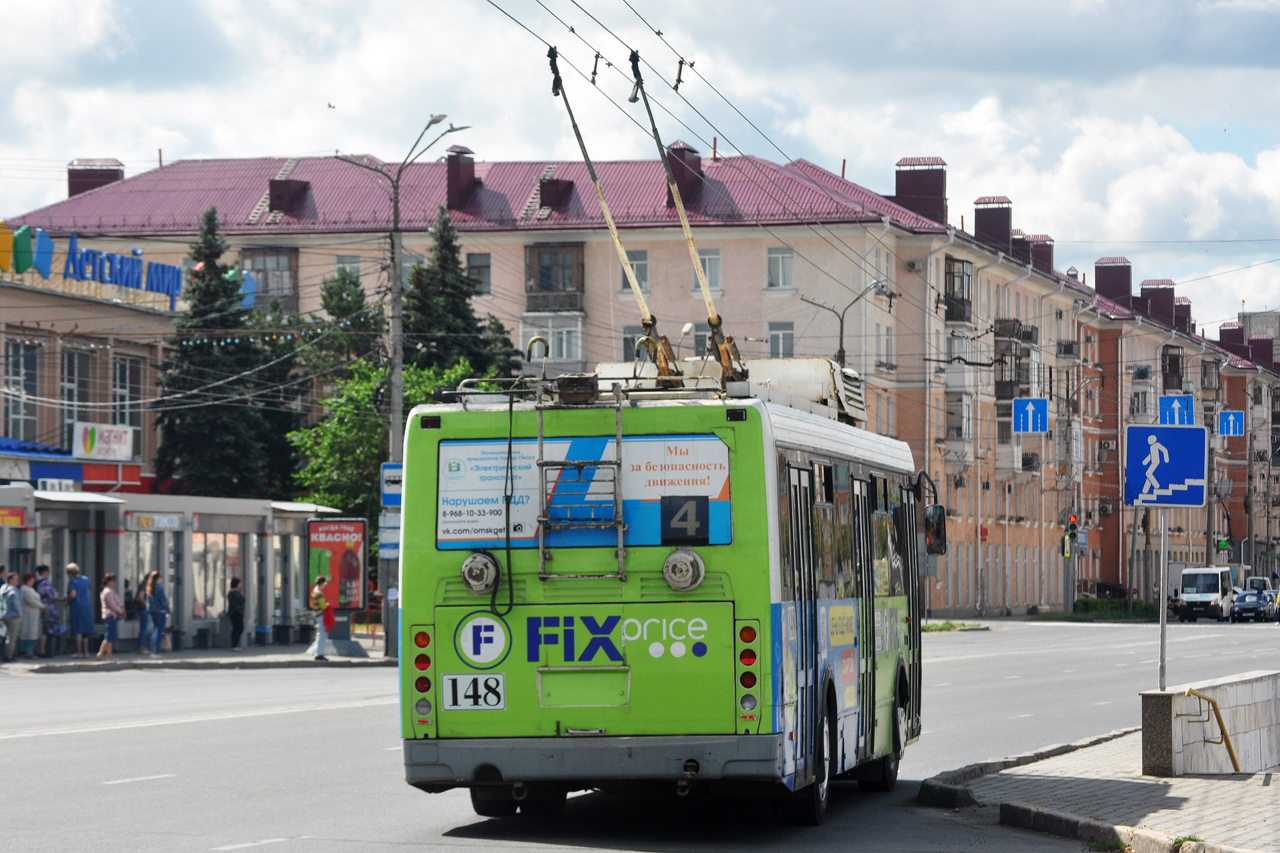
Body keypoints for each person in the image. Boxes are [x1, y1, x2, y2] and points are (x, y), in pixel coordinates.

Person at [64, 563, 94, 658]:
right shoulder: (86, 579)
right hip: (87, 606)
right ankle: (86, 652)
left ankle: (79, 652)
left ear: (70, 573)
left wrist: (66, 599)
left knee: (78, 629)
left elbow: (73, 595)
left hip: (77, 606)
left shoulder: (73, 581)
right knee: (86, 630)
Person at [97, 573, 125, 661]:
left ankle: (109, 656)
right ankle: (100, 653)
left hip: (111, 615)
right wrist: (120, 611)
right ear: (108, 581)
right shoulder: (108, 592)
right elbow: (112, 605)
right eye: (113, 581)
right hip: (110, 615)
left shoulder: (109, 590)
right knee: (109, 636)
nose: (114, 583)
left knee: (111, 637)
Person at [34, 565, 58, 657]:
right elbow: (51, 595)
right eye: (48, 572)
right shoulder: (45, 583)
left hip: (39, 608)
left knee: (41, 630)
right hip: (47, 608)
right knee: (46, 631)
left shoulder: (36, 581)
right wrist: (60, 598)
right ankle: (43, 651)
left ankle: (38, 649)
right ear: (45, 572)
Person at [146, 571, 170, 654]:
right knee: (159, 631)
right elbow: (164, 601)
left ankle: (153, 650)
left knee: (155, 630)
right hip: (160, 611)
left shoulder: (149, 588)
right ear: (158, 578)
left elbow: (148, 603)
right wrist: (168, 610)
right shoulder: (159, 588)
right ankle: (156, 651)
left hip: (153, 612)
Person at [19, 573, 42, 658]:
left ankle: (31, 651)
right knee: (29, 632)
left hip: (34, 614)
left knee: (33, 633)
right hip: (28, 615)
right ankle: (27, 651)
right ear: (28, 580)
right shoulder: (24, 589)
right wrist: (42, 606)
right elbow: (31, 601)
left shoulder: (31, 589)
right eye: (32, 579)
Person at [310, 575, 332, 661]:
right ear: (321, 583)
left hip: (317, 614)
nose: (325, 585)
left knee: (320, 634)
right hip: (321, 615)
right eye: (324, 583)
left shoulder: (314, 591)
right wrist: (327, 605)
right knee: (323, 635)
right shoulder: (318, 593)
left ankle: (318, 653)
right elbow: (323, 606)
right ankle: (319, 654)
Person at [1, 570, 21, 662]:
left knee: (3, 636)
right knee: (12, 637)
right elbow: (16, 605)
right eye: (15, 579)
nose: (17, 581)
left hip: (2, 616)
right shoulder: (13, 590)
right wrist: (20, 615)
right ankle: (8, 656)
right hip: (13, 616)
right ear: (10, 580)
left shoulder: (2, 588)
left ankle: (5, 654)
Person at [227, 577, 246, 651]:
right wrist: (241, 592)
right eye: (239, 584)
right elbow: (242, 600)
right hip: (236, 612)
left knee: (237, 628)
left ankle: (234, 645)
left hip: (237, 612)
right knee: (238, 628)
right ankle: (234, 645)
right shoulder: (234, 593)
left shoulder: (232, 593)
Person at [135, 579, 151, 654]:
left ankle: (142, 646)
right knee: (144, 629)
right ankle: (142, 646)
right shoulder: (144, 587)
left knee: (143, 628)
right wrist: (147, 605)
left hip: (142, 610)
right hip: (144, 610)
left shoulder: (142, 586)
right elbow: (141, 597)